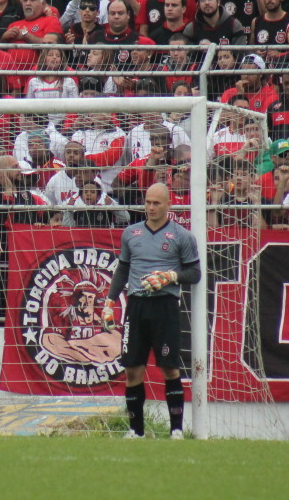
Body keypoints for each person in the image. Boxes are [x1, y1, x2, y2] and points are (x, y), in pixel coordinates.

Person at [101, 182, 200, 439]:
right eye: (148, 202)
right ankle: (136, 431)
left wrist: (169, 276)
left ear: (169, 205)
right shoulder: (130, 233)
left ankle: (176, 429)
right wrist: (110, 303)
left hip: (165, 306)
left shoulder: (182, 236)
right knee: (132, 369)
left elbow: (195, 273)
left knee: (169, 368)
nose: (151, 207)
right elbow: (122, 269)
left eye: (157, 203)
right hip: (136, 306)